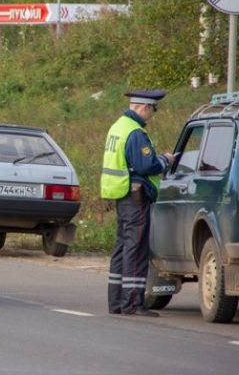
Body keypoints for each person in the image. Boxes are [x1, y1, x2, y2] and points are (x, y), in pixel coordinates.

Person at [100, 89, 175, 317]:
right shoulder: (135, 132)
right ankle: (132, 303)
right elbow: (145, 166)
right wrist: (165, 160)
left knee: (122, 247)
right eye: (153, 109)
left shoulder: (118, 126)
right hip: (136, 197)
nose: (152, 113)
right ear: (144, 107)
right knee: (136, 248)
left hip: (122, 194)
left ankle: (116, 302)